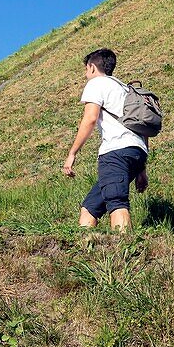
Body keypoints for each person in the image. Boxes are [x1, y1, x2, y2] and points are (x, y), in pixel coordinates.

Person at [63, 49, 149, 231]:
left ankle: (124, 251)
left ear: (92, 67)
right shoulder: (125, 89)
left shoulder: (96, 84)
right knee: (90, 207)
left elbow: (90, 118)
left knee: (116, 201)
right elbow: (141, 126)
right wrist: (141, 168)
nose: (86, 75)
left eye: (86, 70)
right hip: (136, 151)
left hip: (115, 151)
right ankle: (86, 249)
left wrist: (72, 153)